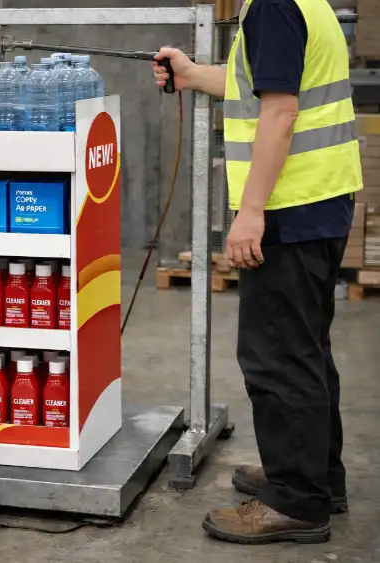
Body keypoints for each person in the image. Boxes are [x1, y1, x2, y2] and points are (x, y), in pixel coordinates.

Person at [153, 0, 361, 545]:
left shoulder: (272, 5)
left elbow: (280, 113)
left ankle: (296, 500)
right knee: (305, 350)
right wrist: (193, 74)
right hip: (320, 200)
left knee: (278, 358)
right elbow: (265, 85)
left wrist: (250, 212)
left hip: (290, 209)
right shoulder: (301, 3)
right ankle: (317, 476)